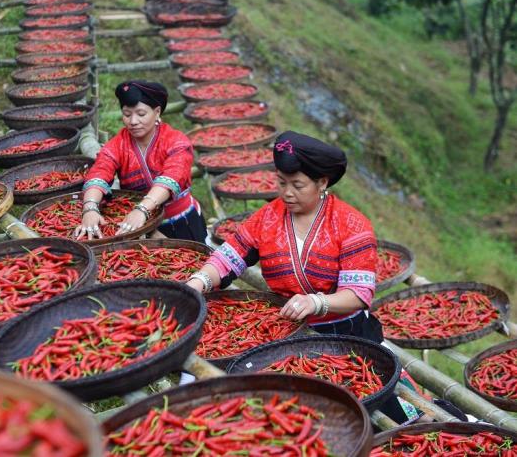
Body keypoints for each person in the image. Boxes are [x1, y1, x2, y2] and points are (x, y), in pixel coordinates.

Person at [186, 130, 418, 422]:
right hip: (286, 334)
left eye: (297, 185)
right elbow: (227, 258)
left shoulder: (351, 224)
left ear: (322, 182)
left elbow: (358, 295)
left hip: (346, 334)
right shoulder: (267, 218)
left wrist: (317, 303)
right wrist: (199, 281)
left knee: (382, 409)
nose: (287, 193)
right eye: (281, 183)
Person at [74, 80, 206, 243]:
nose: (133, 121)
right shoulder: (118, 145)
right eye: (127, 114)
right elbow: (99, 172)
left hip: (181, 222)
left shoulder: (176, 141)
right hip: (138, 225)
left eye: (141, 114)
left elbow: (173, 177)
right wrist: (90, 207)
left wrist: (142, 209)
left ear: (157, 112)